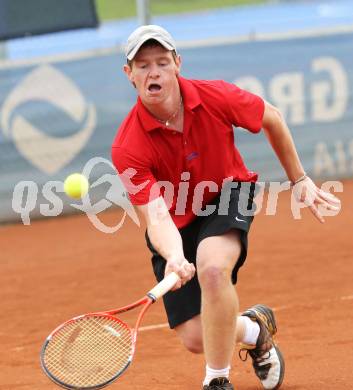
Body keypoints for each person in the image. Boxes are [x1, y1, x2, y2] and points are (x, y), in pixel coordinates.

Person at [111, 25, 340, 390]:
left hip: (227, 192)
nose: (153, 72)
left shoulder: (214, 96)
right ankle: (255, 329)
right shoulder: (128, 146)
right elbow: (155, 215)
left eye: (162, 62)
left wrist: (299, 179)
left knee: (213, 268)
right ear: (129, 74)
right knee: (197, 338)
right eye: (142, 65)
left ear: (177, 65)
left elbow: (273, 118)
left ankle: (217, 380)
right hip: (175, 220)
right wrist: (173, 255)